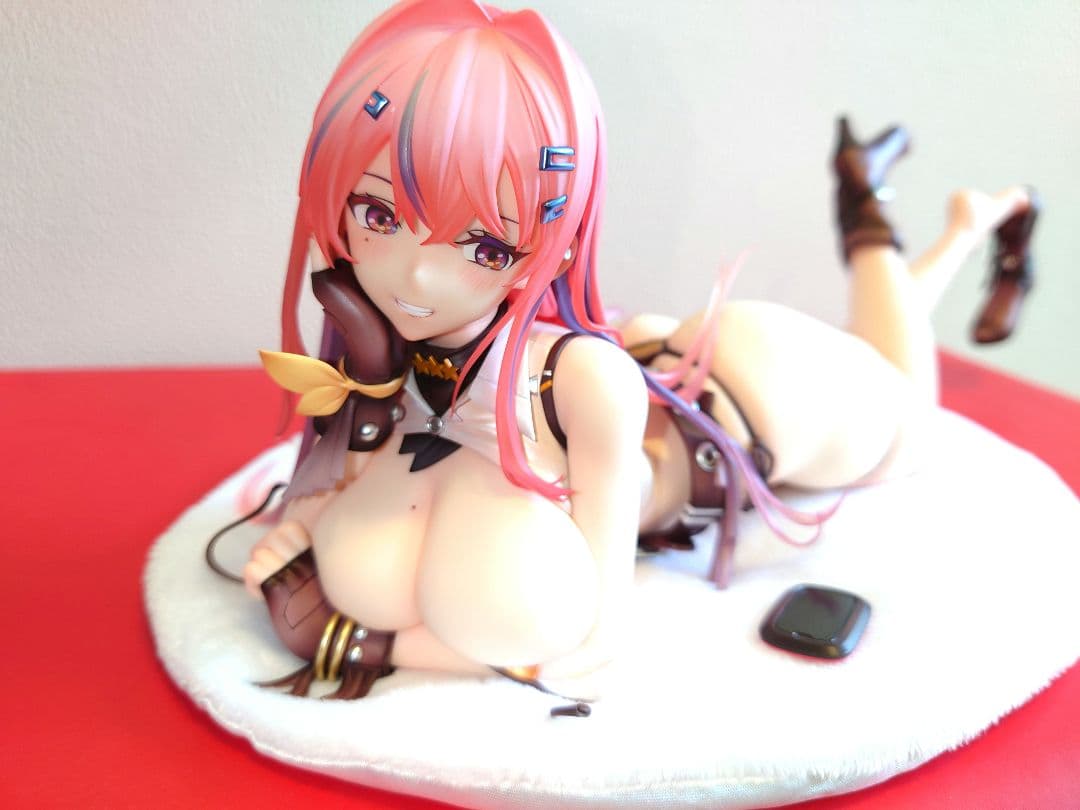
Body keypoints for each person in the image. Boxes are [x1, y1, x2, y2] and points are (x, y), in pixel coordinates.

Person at [239, 0, 1038, 701]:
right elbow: (359, 481)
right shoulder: (387, 351)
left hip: (759, 396)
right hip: (659, 359)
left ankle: (882, 210)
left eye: (484, 246)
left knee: (907, 420)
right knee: (883, 364)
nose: (416, 276)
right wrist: (305, 525)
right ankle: (942, 221)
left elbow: (588, 638)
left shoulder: (582, 379)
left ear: (553, 243)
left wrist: (358, 645)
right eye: (379, 216)